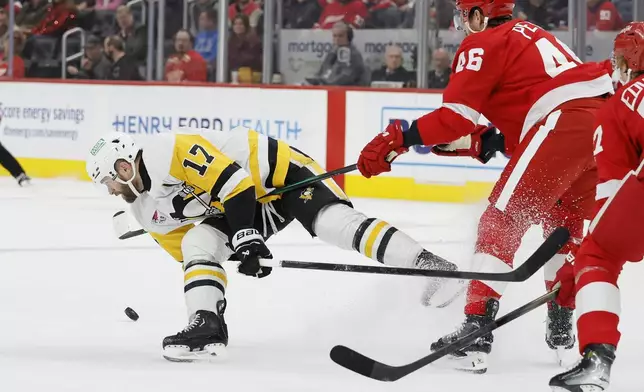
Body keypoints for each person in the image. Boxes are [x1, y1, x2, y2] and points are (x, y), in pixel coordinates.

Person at [355, 0, 614, 373]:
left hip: (565, 123)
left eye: (465, 15)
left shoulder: (484, 41)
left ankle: (475, 331)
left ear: (480, 15)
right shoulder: (534, 34)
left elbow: (454, 118)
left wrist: (400, 137)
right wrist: (484, 143)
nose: (461, 24)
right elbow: (536, 114)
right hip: (600, 129)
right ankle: (561, 333)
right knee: (565, 226)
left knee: (501, 220)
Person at [85, 128, 458, 362]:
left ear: (123, 167)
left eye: (107, 181)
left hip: (276, 174)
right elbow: (194, 255)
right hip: (245, 205)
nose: (110, 191)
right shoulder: (143, 210)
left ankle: (431, 266)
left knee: (334, 224)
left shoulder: (167, 150)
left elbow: (234, 184)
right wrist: (236, 259)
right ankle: (207, 324)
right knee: (200, 240)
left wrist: (247, 238)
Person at [548, 22, 644, 392]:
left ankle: (596, 362)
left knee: (599, 258)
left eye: (621, 58)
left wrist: (584, 260)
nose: (616, 66)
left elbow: (611, 199)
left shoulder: (631, 93)